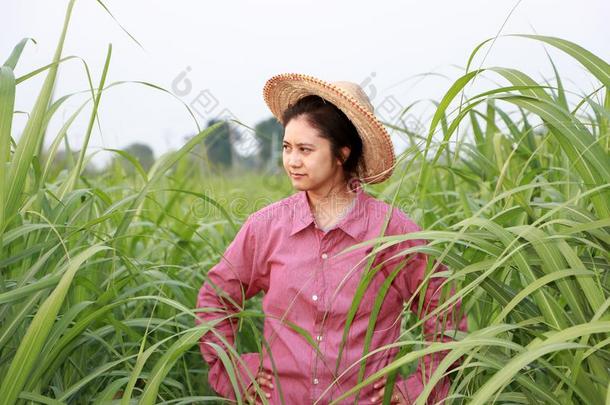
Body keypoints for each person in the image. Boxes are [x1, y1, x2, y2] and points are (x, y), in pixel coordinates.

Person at [195, 73, 468, 404]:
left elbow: (446, 313)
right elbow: (215, 300)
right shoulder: (266, 227)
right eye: (287, 148)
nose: (292, 161)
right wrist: (237, 373)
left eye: (305, 149)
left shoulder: (390, 231)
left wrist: (416, 389)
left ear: (341, 154)